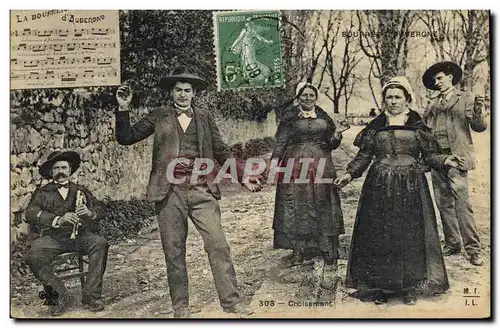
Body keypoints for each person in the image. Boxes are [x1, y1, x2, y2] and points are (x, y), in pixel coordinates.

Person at [114, 66, 262, 318]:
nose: (183, 94)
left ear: (194, 94)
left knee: (218, 245)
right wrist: (123, 108)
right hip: (169, 193)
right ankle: (180, 307)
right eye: (178, 90)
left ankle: (231, 302)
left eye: (187, 90)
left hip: (202, 189)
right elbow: (126, 137)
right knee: (174, 251)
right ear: (172, 93)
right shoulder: (159, 116)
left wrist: (242, 175)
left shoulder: (204, 117)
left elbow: (221, 151)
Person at [335, 76, 464, 305]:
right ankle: (383, 288)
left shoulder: (418, 125)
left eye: (397, 97)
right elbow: (364, 155)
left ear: (407, 99)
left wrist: (447, 160)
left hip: (411, 186)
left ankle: (410, 287)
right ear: (384, 100)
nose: (393, 101)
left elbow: (430, 155)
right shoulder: (375, 126)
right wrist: (349, 173)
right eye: (389, 97)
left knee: (411, 235)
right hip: (379, 186)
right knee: (380, 234)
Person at [270, 82, 348, 287]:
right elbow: (281, 142)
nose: (307, 98)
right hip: (295, 165)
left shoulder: (323, 117)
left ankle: (327, 247)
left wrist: (338, 133)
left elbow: (331, 143)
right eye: (303, 95)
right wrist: (274, 163)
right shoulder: (289, 117)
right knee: (296, 203)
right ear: (298, 97)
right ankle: (299, 249)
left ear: (316, 97)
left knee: (323, 201)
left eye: (311, 95)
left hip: (322, 164)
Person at [26, 150, 109, 316]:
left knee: (100, 244)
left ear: (70, 170)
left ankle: (91, 296)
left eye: (64, 167)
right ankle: (59, 295)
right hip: (53, 238)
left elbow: (101, 208)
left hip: (80, 236)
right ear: (51, 172)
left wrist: (89, 213)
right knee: (33, 255)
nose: (60, 171)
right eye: (56, 168)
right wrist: (59, 219)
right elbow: (30, 213)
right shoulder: (43, 192)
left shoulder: (81, 190)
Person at [422, 61, 487, 266]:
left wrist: (478, 110)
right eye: (434, 80)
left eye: (440, 78)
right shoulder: (433, 104)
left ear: (450, 77)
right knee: (443, 204)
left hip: (457, 159)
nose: (437, 82)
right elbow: (425, 130)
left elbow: (479, 127)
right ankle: (452, 243)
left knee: (462, 205)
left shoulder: (465, 98)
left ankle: (474, 249)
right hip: (438, 159)